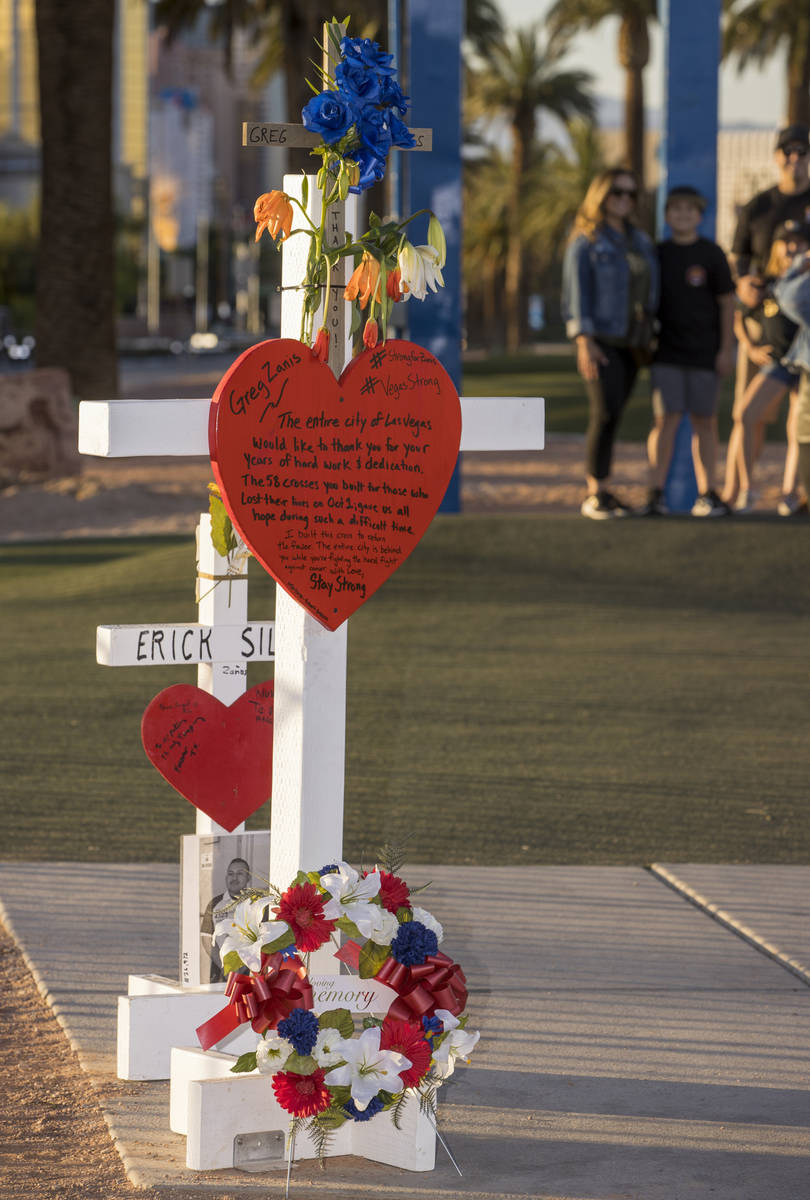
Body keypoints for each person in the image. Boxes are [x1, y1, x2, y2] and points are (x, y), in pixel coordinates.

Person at [562, 166, 659, 519]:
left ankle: (605, 490)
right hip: (600, 339)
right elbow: (576, 294)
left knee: (615, 413)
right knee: (603, 412)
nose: (624, 200)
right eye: (617, 192)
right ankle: (595, 493)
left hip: (633, 343)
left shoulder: (641, 241)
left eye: (630, 194)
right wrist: (584, 340)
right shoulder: (586, 241)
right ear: (601, 195)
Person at [727, 123, 810, 494]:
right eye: (788, 152)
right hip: (766, 324)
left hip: (806, 332)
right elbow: (738, 260)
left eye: (802, 152)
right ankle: (737, 491)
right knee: (747, 413)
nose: (795, 159)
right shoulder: (759, 205)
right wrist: (742, 284)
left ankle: (795, 494)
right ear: (777, 157)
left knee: (801, 421)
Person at [643, 186, 735, 517]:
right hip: (666, 354)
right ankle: (655, 493)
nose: (683, 215)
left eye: (690, 210)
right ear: (667, 215)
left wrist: (726, 349)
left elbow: (727, 304)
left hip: (705, 354)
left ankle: (708, 492)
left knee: (705, 423)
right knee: (665, 421)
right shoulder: (657, 254)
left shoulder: (712, 254)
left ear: (700, 215)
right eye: (676, 209)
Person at [724, 220, 808, 515]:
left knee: (798, 429)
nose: (791, 247)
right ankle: (748, 488)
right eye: (786, 242)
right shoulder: (765, 282)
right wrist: (749, 346)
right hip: (779, 362)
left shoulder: (804, 281)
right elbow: (740, 315)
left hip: (806, 365)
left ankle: (790, 492)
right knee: (746, 415)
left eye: (798, 242)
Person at [200, 856, 251, 983]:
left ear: (248, 878)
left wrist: (242, 967)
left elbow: (263, 940)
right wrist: (226, 968)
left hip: (250, 972)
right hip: (220, 973)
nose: (234, 878)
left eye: (240, 874)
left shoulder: (257, 903)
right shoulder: (215, 903)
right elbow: (206, 938)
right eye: (230, 874)